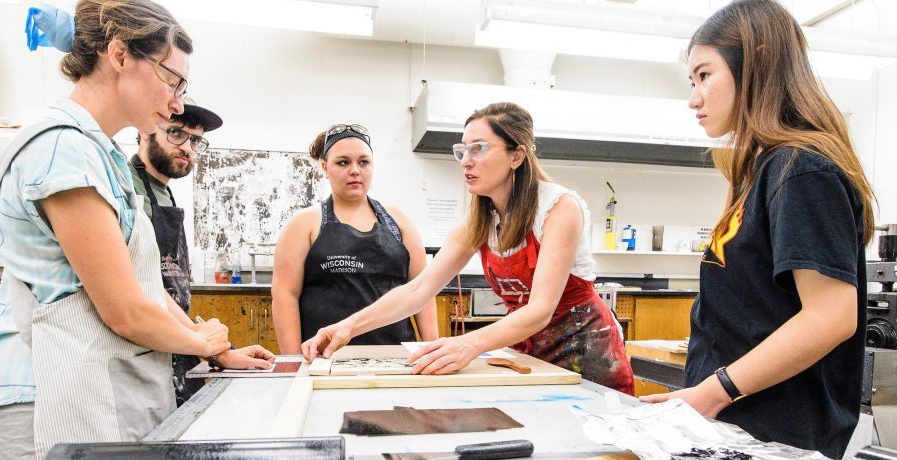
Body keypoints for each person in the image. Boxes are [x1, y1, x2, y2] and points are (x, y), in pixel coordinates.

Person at [0, 0, 269, 460]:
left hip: (87, 386)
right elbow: (125, 311)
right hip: (44, 394)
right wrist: (201, 343)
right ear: (119, 54)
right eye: (172, 80)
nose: (176, 102)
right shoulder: (61, 148)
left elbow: (147, 289)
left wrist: (214, 351)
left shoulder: (98, 154)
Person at [640, 0, 874, 460]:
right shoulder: (763, 170)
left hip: (776, 437)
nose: (694, 97)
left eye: (704, 75)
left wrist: (713, 392)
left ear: (759, 62)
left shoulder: (801, 169)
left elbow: (830, 317)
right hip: (739, 428)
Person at [302, 103, 634, 394]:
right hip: (529, 353)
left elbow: (539, 310)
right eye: (462, 151)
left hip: (588, 354)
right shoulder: (477, 223)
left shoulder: (559, 208)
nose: (465, 162)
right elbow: (417, 290)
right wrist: (347, 326)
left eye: (478, 149)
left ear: (516, 156)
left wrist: (469, 344)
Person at [132, 101, 270, 404]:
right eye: (176, 134)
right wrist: (208, 346)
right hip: (138, 353)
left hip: (172, 345)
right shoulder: (129, 189)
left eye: (195, 140)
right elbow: (145, 288)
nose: (188, 148)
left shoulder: (163, 190)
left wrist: (220, 351)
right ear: (145, 130)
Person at [272, 124, 439, 354]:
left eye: (363, 162)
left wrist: (431, 350)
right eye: (343, 162)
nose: (355, 170)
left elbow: (423, 290)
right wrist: (292, 364)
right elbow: (285, 296)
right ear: (325, 167)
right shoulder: (304, 224)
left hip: (396, 359)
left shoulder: (398, 221)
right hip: (325, 359)